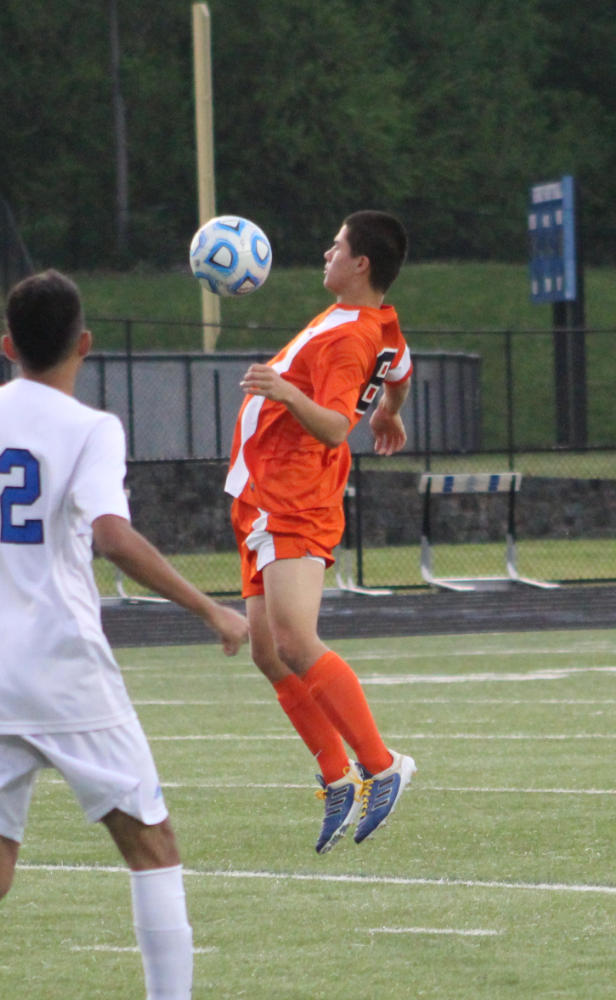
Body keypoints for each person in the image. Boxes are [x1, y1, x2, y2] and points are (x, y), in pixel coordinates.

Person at [0, 270, 248, 1000]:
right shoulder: (91, 429)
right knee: (153, 847)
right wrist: (210, 609)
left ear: (6, 343)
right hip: (63, 669)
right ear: (84, 344)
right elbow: (112, 537)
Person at [225, 210, 416, 855]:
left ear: (361, 264)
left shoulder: (346, 338)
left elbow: (335, 426)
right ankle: (337, 777)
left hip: (295, 491)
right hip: (261, 492)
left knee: (296, 639)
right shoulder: (375, 324)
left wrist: (281, 389)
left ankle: (382, 765)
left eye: (335, 246)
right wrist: (390, 412)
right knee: (267, 650)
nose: (326, 253)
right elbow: (400, 367)